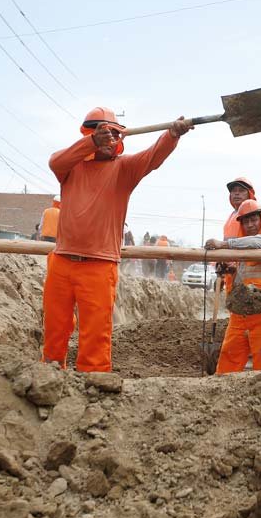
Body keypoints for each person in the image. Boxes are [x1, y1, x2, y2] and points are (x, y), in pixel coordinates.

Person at [42, 106, 192, 372]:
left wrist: (172, 136)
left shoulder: (124, 169)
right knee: (55, 328)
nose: (110, 140)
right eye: (104, 135)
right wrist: (90, 143)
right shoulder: (69, 168)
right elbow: (54, 161)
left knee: (96, 334)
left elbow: (152, 157)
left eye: (114, 136)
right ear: (91, 135)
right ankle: (49, 376)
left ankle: (93, 383)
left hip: (99, 267)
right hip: (62, 261)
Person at [205, 199, 261, 373]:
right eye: (246, 221)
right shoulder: (241, 247)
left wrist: (224, 244)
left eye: (253, 220)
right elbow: (244, 277)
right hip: (241, 311)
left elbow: (256, 243)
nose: (250, 224)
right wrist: (232, 271)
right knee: (229, 359)